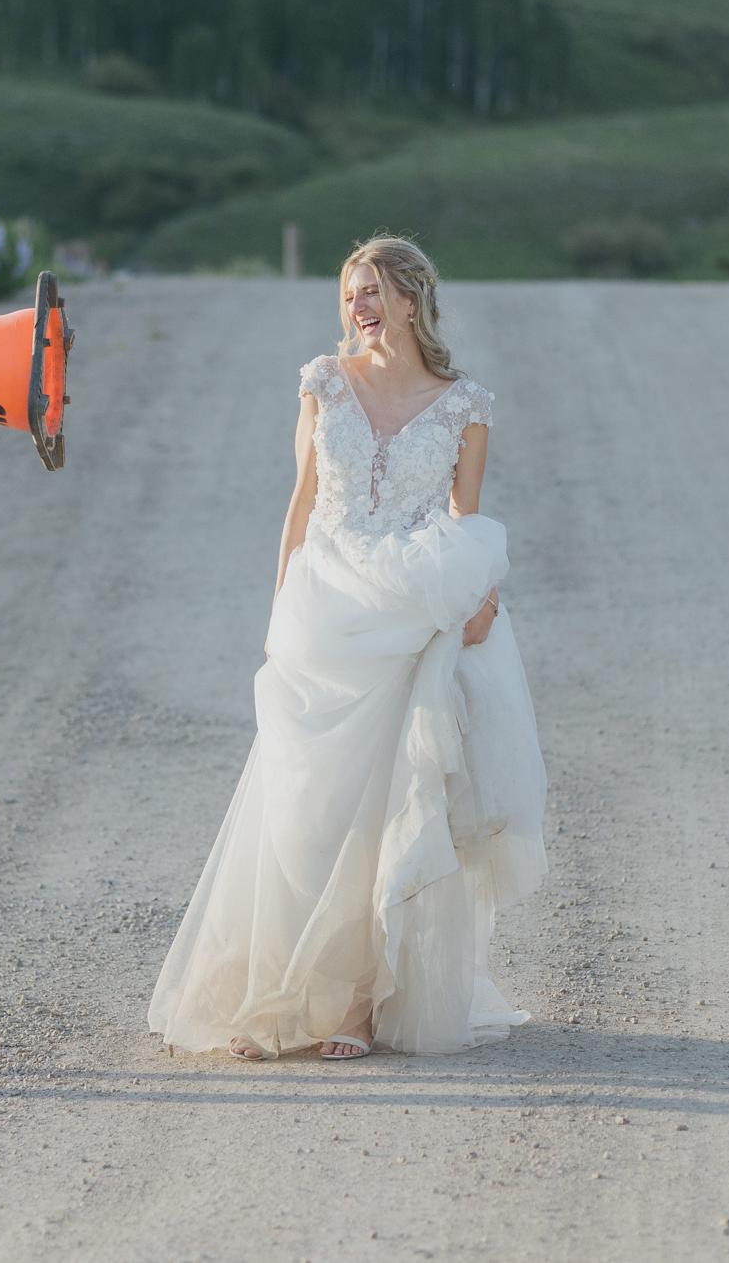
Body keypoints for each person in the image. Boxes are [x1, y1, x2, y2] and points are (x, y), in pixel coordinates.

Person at [147, 235, 547, 1061]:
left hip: (406, 614)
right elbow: (300, 505)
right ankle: (272, 995)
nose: (356, 306)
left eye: (370, 291)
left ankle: (358, 1005)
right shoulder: (324, 384)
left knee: (386, 808)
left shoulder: (465, 405)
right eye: (348, 294)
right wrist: (278, 607)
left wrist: (479, 598)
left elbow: (463, 524)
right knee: (301, 807)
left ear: (410, 298)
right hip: (324, 609)